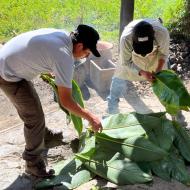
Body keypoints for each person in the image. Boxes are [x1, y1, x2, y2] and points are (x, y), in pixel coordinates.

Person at [0, 24, 103, 177]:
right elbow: (66, 101)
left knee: (34, 108)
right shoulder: (64, 56)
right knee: (34, 117)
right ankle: (33, 165)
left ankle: (43, 136)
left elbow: (43, 51)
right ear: (80, 45)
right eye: (87, 53)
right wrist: (90, 117)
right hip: (7, 74)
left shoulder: (63, 36)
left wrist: (51, 68)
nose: (86, 57)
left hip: (6, 58)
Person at [107, 18, 170, 114]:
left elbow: (164, 54)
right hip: (132, 58)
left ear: (153, 37)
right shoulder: (126, 38)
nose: (143, 55)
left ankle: (177, 115)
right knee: (119, 77)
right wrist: (142, 72)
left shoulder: (162, 33)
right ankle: (112, 110)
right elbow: (126, 62)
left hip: (155, 56)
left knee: (166, 81)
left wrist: (158, 71)